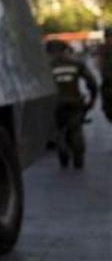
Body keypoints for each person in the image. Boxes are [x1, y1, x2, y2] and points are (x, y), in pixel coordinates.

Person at [46, 39, 98, 169]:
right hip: (75, 102)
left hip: (55, 104)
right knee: (76, 129)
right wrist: (92, 99)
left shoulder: (45, 67)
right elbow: (92, 83)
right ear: (65, 49)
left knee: (59, 129)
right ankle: (78, 157)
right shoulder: (76, 63)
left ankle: (62, 150)